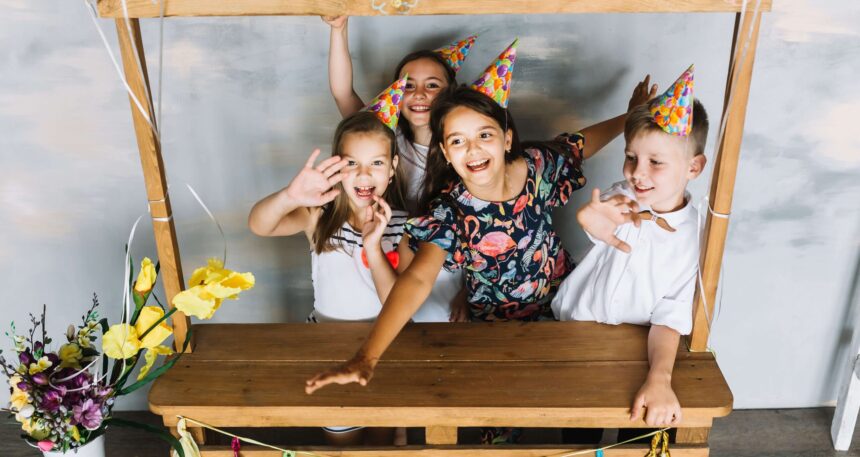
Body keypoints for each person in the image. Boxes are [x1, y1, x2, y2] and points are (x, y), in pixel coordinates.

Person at [305, 39, 656, 442]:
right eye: (457, 141)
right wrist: (366, 357)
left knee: (576, 415)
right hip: (493, 331)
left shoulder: (539, 166)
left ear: (507, 139)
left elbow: (580, 144)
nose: (472, 149)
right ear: (446, 152)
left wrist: (629, 119)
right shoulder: (449, 212)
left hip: (563, 308)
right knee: (498, 424)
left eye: (484, 135)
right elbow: (417, 280)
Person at [248, 77, 409, 445]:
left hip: (381, 348)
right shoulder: (318, 215)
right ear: (337, 166)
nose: (364, 174)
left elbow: (396, 302)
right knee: (341, 443)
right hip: (325, 345)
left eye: (376, 163)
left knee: (380, 442)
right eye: (352, 162)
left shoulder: (403, 226)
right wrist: (290, 196)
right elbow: (260, 224)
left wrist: (374, 246)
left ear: (393, 167)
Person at [553, 65, 709, 429]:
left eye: (655, 162)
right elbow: (604, 219)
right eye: (631, 157)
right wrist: (591, 220)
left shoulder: (696, 235)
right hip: (579, 328)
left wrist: (659, 378)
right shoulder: (623, 198)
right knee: (574, 426)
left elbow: (670, 317)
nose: (637, 173)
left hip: (644, 346)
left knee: (639, 421)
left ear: (694, 168)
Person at [322, 15, 477, 322]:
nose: (418, 94)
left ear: (450, 92)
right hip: (384, 254)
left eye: (432, 85)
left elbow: (482, 222)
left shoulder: (468, 149)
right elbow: (342, 93)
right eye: (408, 85)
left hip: (446, 270)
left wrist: (469, 291)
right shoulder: (383, 137)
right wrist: (339, 30)